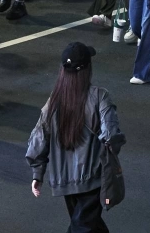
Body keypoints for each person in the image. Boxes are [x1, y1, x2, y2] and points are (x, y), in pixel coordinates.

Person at [26, 42, 125, 232]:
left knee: (87, 224)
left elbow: (38, 140)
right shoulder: (100, 96)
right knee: (83, 226)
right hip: (92, 179)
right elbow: (111, 135)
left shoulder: (53, 102)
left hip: (64, 181)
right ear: (87, 68)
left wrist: (37, 174)